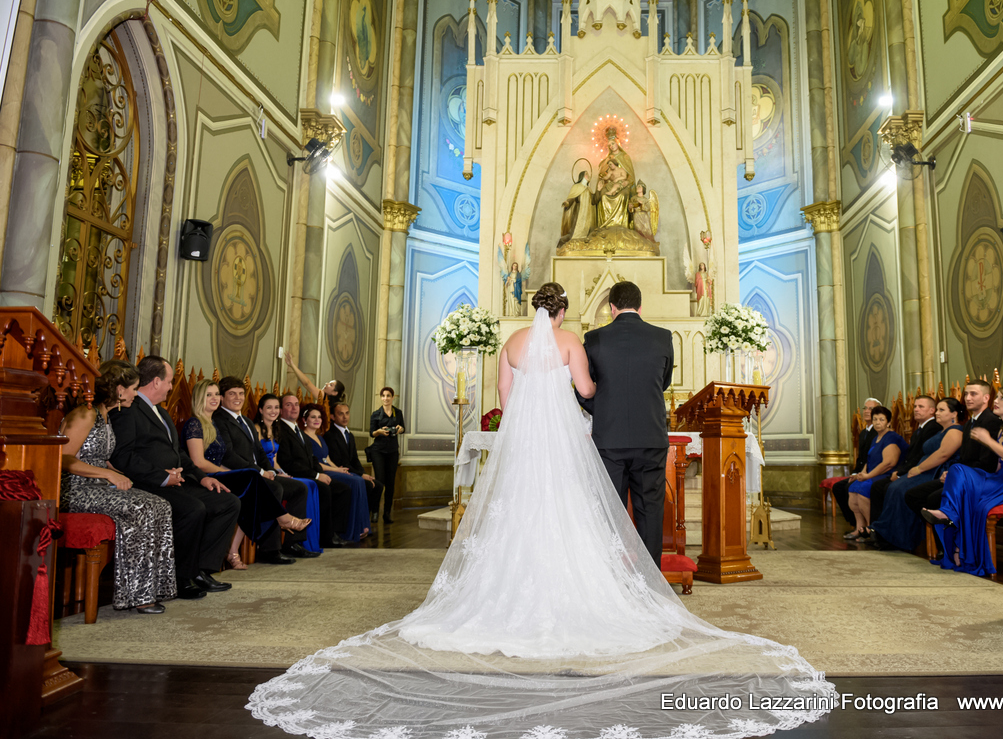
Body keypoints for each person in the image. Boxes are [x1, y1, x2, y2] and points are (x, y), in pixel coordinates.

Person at [249, 289, 834, 738]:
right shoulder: (574, 342)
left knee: (517, 514)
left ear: (534, 310)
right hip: (565, 441)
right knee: (574, 513)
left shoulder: (510, 346)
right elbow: (585, 390)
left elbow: (502, 400)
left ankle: (501, 594)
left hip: (525, 443)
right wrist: (587, 398)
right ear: (563, 313)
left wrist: (536, 403)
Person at [109, 356, 239, 599]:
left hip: (176, 481)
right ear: (157, 382)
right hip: (147, 484)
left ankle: (200, 569)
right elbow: (122, 456)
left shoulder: (162, 412)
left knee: (227, 502)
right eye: (169, 382)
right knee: (193, 509)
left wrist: (201, 478)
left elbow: (178, 453)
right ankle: (180, 576)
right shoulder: (128, 410)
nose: (172, 387)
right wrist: (161, 477)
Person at [59, 360, 176, 613]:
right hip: (76, 489)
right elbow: (64, 458)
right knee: (141, 507)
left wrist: (120, 474)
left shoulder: (107, 415)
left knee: (160, 505)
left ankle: (157, 587)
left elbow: (104, 459)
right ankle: (138, 595)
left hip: (97, 486)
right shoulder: (85, 413)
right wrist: (107, 475)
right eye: (134, 388)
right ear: (120, 390)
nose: (136, 393)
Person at [576, 280, 674, 568]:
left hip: (609, 440)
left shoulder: (594, 339)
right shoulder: (663, 337)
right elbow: (663, 382)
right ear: (641, 307)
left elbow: (584, 390)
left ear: (611, 307)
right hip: (651, 437)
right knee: (650, 512)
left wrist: (603, 410)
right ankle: (651, 582)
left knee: (608, 513)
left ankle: (611, 581)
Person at [184, 380, 308, 566]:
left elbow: (257, 452)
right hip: (204, 477)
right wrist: (236, 471)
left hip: (221, 473)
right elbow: (199, 462)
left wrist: (270, 471)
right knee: (253, 479)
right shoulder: (196, 423)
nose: (214, 398)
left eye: (216, 394)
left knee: (253, 486)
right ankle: (282, 520)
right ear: (199, 398)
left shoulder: (214, 424)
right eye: (209, 395)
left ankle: (233, 551)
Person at [924, 386, 1003, 575]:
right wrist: (958, 478)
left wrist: (989, 441)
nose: (996, 401)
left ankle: (953, 533)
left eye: (1002, 398)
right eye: (997, 397)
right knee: (958, 472)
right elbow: (999, 466)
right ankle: (960, 552)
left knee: (964, 482)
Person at [870, 397, 966, 552]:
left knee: (902, 490)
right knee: (894, 488)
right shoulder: (942, 430)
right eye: (938, 409)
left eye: (942, 410)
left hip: (935, 472)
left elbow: (943, 454)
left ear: (954, 414)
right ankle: (889, 534)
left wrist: (919, 468)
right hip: (925, 468)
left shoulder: (955, 430)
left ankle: (902, 538)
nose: (937, 413)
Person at [902, 380, 1003, 528]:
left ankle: (949, 543)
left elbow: (987, 463)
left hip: (979, 477)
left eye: (973, 394)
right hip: (962, 473)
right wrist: (951, 472)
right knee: (913, 495)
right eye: (966, 394)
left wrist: (956, 473)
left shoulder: (992, 422)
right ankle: (947, 535)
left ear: (986, 398)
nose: (968, 398)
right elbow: (964, 457)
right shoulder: (969, 423)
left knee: (934, 499)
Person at [276, 393, 352, 548]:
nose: (294, 408)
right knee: (324, 489)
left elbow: (311, 458)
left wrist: (320, 472)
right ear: (281, 409)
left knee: (342, 489)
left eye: (296, 404)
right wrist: (316, 475)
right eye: (288, 404)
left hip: (309, 472)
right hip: (296, 474)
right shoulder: (280, 429)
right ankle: (324, 537)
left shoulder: (297, 430)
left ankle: (334, 532)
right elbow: (288, 462)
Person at [256, 393, 323, 555]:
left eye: (276, 407)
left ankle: (293, 543)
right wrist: (269, 473)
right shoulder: (256, 429)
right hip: (259, 473)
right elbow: (257, 458)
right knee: (277, 489)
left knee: (300, 487)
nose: (274, 411)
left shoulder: (275, 429)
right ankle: (271, 548)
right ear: (260, 410)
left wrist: (281, 473)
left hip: (273, 472)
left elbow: (275, 461)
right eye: (269, 407)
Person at [301, 403, 371, 542]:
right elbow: (316, 463)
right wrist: (335, 469)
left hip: (331, 469)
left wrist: (340, 469)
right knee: (355, 481)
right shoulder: (304, 437)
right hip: (321, 471)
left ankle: (361, 526)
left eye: (319, 417)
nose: (317, 420)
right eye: (313, 417)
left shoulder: (320, 437)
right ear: (305, 420)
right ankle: (350, 531)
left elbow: (327, 458)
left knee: (357, 478)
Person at [844, 406, 908, 541]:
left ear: (889, 422)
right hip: (873, 474)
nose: (877, 422)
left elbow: (888, 463)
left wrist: (867, 476)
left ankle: (871, 529)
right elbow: (869, 460)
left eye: (881, 419)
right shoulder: (876, 438)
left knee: (862, 489)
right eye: (875, 419)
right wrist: (860, 474)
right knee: (853, 488)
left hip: (887, 474)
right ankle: (859, 528)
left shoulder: (891, 437)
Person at [327, 402, 383, 519]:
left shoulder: (350, 435)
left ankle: (365, 518)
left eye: (347, 413)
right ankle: (358, 520)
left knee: (378, 485)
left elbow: (355, 459)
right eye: (340, 414)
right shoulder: (330, 435)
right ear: (333, 417)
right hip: (340, 471)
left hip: (353, 471)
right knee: (367, 485)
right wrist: (361, 475)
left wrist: (364, 473)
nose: (345, 417)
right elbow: (338, 462)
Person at [832, 396, 880, 529]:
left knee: (848, 488)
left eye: (871, 408)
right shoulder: (864, 432)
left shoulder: (878, 432)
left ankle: (864, 526)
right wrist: (854, 472)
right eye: (865, 408)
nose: (866, 411)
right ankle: (854, 523)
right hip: (860, 471)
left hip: (871, 472)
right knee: (838, 487)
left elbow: (874, 458)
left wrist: (861, 474)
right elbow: (860, 457)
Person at [365, 387, 404, 522]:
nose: (386, 398)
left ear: (393, 397)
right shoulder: (376, 414)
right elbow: (372, 433)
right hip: (378, 450)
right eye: (383, 396)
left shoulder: (398, 413)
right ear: (381, 398)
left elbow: (403, 427)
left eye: (388, 396)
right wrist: (380, 431)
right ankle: (375, 511)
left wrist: (399, 429)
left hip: (393, 450)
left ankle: (387, 513)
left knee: (391, 482)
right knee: (379, 481)